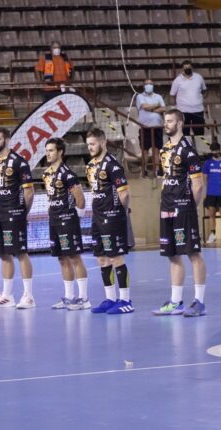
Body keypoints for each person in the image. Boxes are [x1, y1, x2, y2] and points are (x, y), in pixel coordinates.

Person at [152, 109, 207, 317]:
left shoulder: (188, 150)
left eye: (170, 121)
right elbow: (166, 178)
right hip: (166, 207)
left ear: (180, 123)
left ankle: (199, 302)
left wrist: (190, 206)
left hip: (184, 208)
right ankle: (176, 302)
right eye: (165, 121)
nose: (166, 124)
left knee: (193, 253)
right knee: (172, 254)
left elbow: (198, 185)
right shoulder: (165, 149)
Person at [86, 127, 134, 314]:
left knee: (115, 257)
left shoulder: (112, 165)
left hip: (112, 217)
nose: (90, 148)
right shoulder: (91, 166)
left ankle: (126, 300)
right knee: (102, 258)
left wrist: (122, 211)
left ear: (103, 142)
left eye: (93, 144)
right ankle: (110, 298)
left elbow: (124, 193)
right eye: (88, 145)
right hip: (97, 217)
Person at [0, 127, 36, 309]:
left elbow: (29, 191)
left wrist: (22, 212)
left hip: (15, 214)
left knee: (21, 253)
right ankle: (7, 296)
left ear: (7, 140)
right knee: (4, 254)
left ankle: (29, 296)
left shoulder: (19, 162)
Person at [43, 138, 90, 311]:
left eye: (51, 150)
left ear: (60, 152)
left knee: (74, 257)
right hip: (54, 220)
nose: (48, 154)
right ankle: (69, 297)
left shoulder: (68, 174)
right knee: (62, 259)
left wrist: (76, 217)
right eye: (46, 150)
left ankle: (84, 299)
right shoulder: (47, 173)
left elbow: (80, 199)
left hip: (67, 220)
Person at [136, 78, 165, 177]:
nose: (149, 86)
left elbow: (163, 108)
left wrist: (151, 109)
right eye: (147, 84)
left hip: (157, 127)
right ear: (144, 86)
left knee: (157, 150)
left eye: (151, 84)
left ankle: (157, 171)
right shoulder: (140, 96)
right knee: (145, 150)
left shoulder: (158, 96)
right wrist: (157, 105)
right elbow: (145, 107)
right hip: (145, 127)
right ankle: (144, 170)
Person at [170, 60, 207, 138]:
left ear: (192, 68)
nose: (187, 69)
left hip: (198, 110)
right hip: (183, 111)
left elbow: (203, 90)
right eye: (185, 68)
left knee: (199, 133)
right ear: (182, 69)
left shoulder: (199, 77)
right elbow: (173, 94)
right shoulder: (177, 80)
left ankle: (200, 146)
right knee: (184, 133)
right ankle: (185, 146)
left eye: (189, 68)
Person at [202, 143, 221, 244]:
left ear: (219, 150)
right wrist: (208, 189)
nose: (214, 152)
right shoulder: (207, 163)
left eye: (216, 150)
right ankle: (212, 234)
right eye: (212, 150)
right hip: (211, 193)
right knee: (211, 214)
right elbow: (205, 178)